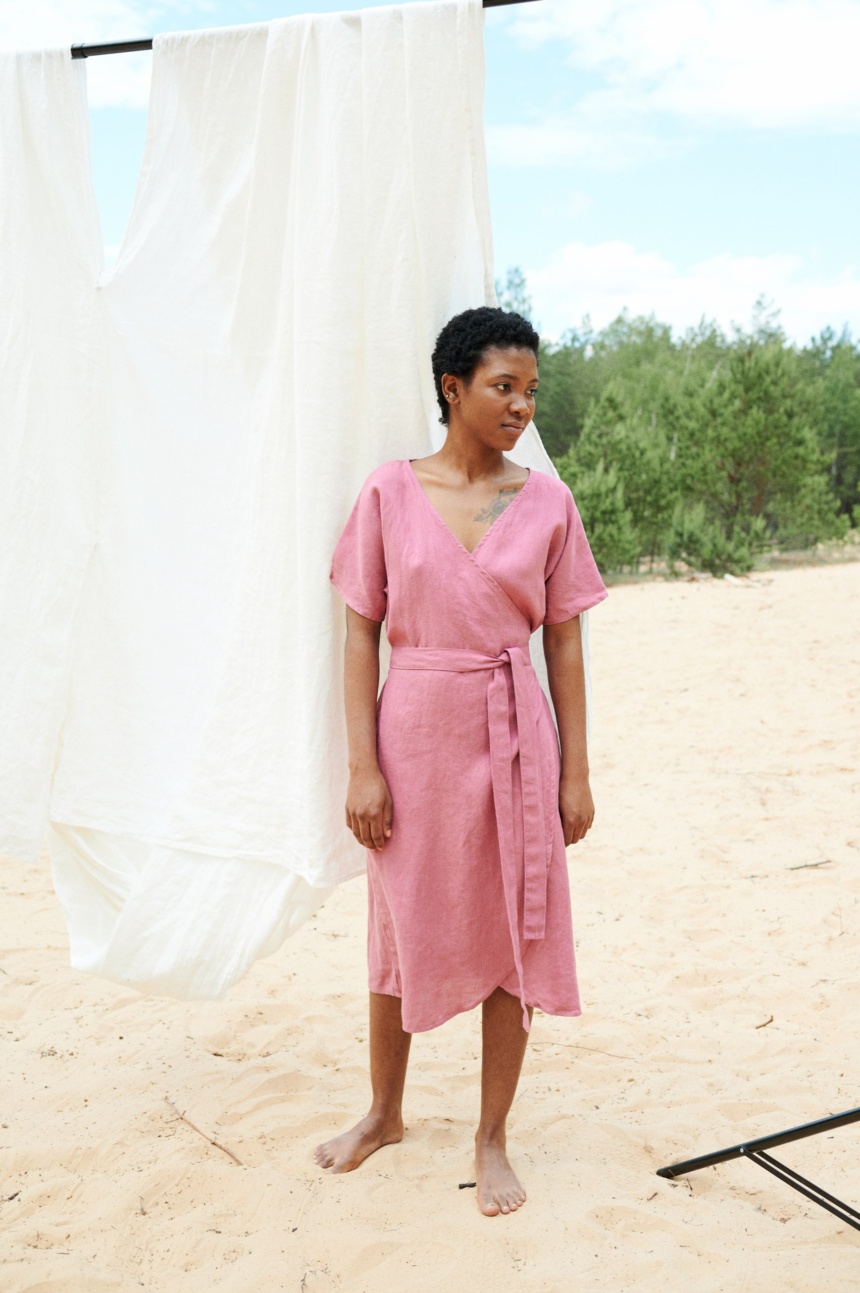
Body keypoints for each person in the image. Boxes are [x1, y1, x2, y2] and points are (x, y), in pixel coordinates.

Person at [317, 307, 607, 1216]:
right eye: (503, 387)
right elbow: (360, 635)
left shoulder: (548, 503)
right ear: (453, 388)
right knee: (397, 926)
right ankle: (384, 1111)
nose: (522, 405)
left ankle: (492, 1138)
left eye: (531, 391)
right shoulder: (388, 493)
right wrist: (362, 766)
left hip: (515, 730)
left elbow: (564, 644)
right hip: (415, 732)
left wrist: (576, 771)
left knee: (513, 935)